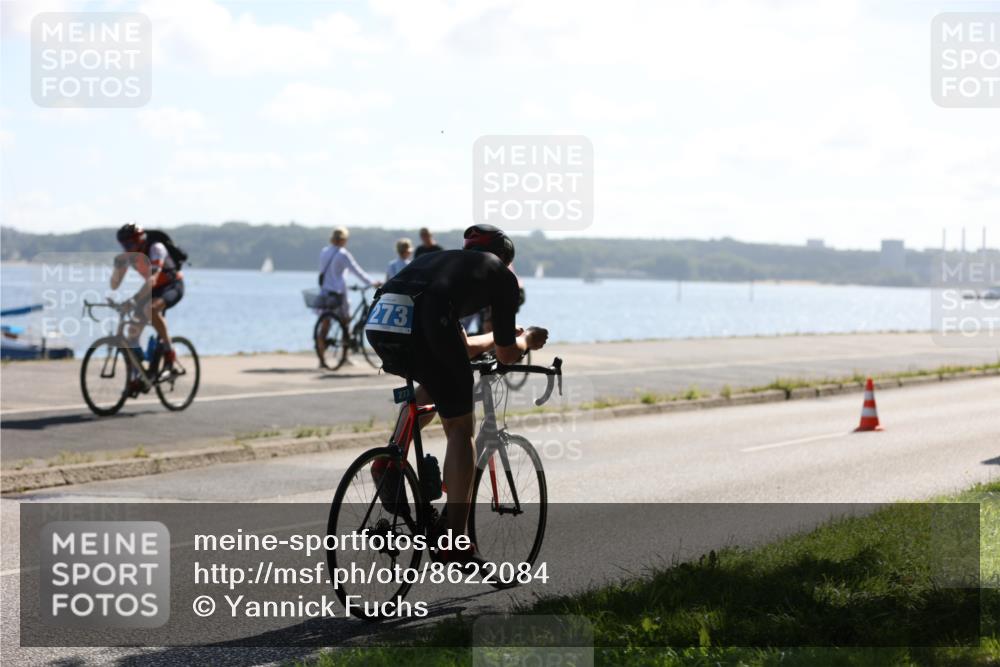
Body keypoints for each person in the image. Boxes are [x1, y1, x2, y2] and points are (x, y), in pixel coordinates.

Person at [366, 224, 549, 565]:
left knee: (434, 379)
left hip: (380, 323)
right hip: (428, 322)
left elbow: (460, 344)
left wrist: (495, 339)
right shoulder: (502, 276)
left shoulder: (444, 265)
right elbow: (509, 355)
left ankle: (389, 458)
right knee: (461, 430)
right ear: (505, 258)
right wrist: (528, 339)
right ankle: (455, 539)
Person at [111, 223, 184, 395]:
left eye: (129, 244)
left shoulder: (156, 248)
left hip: (172, 285)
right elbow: (114, 285)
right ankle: (140, 376)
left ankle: (169, 353)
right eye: (123, 245)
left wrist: (134, 300)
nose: (127, 248)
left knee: (151, 310)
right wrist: (118, 267)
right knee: (132, 333)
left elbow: (152, 280)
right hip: (153, 289)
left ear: (140, 239)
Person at [316, 227, 379, 362]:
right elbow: (356, 270)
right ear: (343, 240)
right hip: (339, 292)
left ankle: (321, 358)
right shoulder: (343, 254)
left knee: (325, 323)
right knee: (345, 322)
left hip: (325, 291)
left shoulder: (324, 252)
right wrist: (372, 282)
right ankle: (345, 357)